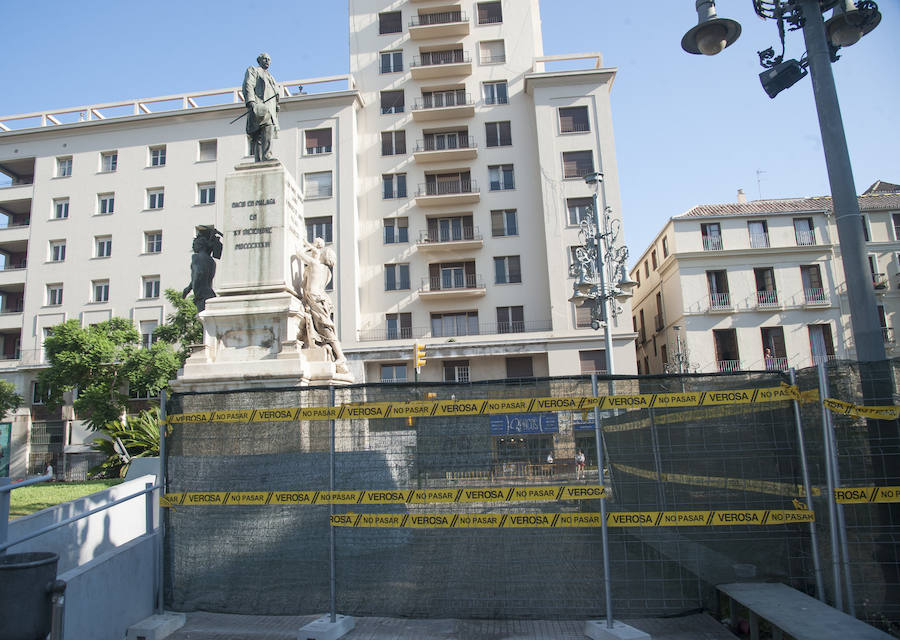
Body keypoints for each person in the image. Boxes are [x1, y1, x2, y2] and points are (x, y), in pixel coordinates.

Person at [297, 238, 348, 372]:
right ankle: (336, 353)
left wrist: (310, 247)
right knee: (326, 327)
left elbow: (298, 253)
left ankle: (341, 356)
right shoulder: (328, 272)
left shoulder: (314, 264)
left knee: (326, 328)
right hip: (322, 299)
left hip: (315, 298)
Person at [242, 53, 280, 162]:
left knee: (268, 129)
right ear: (259, 60)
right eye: (265, 59)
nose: (267, 61)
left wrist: (277, 106)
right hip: (260, 105)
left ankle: (265, 156)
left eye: (269, 59)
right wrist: (251, 102)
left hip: (271, 109)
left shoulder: (271, 77)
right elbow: (248, 85)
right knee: (258, 134)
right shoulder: (253, 70)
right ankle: (260, 158)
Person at [183, 227, 222, 312]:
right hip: (209, 294)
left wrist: (195, 293)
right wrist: (188, 288)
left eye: (194, 243)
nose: (193, 246)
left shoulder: (196, 257)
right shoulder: (211, 261)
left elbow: (198, 273)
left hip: (201, 295)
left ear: (201, 244)